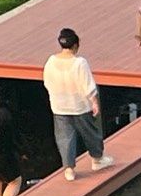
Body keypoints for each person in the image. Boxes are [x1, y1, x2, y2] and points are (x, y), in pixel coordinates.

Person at [43, 28, 112, 178]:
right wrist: (94, 102)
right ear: (75, 45)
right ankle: (97, 159)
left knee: (64, 138)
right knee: (90, 133)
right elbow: (88, 85)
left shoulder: (51, 61)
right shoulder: (80, 63)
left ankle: (69, 169)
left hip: (59, 106)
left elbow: (47, 82)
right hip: (80, 105)